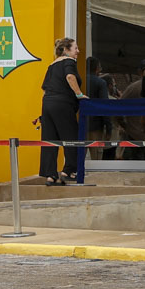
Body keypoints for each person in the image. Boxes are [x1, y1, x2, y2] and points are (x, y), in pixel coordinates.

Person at [37, 37, 84, 184]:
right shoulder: (68, 61)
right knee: (71, 137)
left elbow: (45, 90)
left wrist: (43, 114)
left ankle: (50, 175)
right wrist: (79, 94)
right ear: (66, 50)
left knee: (50, 140)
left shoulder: (51, 66)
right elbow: (70, 77)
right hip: (63, 104)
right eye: (75, 48)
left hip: (48, 104)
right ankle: (69, 171)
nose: (78, 51)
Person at [83, 56, 110, 159]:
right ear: (97, 68)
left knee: (80, 156)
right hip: (96, 126)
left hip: (81, 125)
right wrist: (108, 128)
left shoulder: (79, 81)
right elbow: (104, 106)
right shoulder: (100, 83)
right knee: (96, 158)